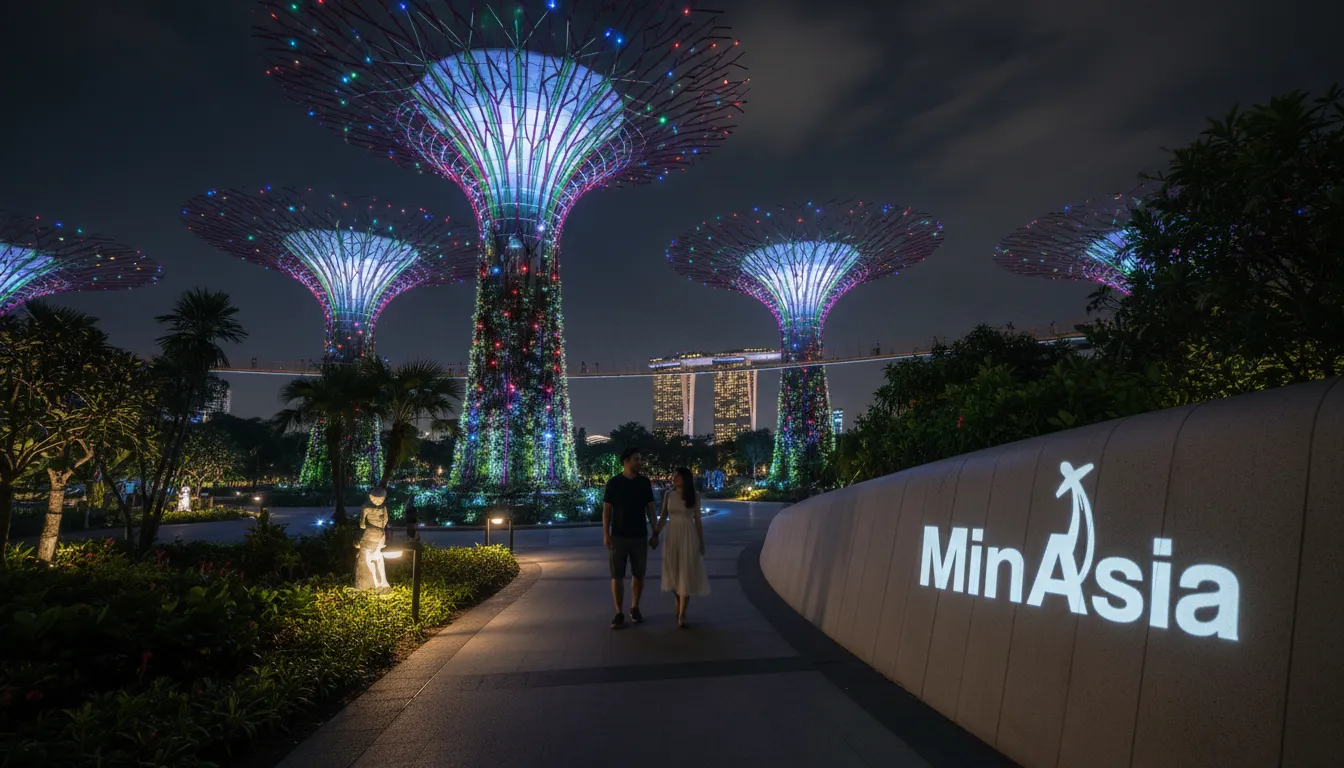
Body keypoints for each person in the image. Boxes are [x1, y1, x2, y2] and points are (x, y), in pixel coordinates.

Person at [603, 447, 657, 629]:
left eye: (640, 459)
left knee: (639, 574)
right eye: (636, 459)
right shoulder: (614, 483)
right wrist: (606, 534)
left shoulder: (644, 482)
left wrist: (655, 532)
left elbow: (650, 509)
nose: (640, 462)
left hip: (639, 535)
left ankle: (635, 607)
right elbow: (607, 510)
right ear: (626, 461)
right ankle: (619, 612)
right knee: (617, 575)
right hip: (618, 535)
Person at [655, 466, 710, 627]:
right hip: (672, 536)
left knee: (686, 572)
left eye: (677, 476)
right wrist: (656, 533)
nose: (674, 478)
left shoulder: (694, 496)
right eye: (674, 476)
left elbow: (698, 519)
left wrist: (701, 541)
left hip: (688, 536)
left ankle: (682, 614)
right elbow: (663, 516)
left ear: (685, 479)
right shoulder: (668, 494)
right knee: (672, 571)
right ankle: (678, 599)